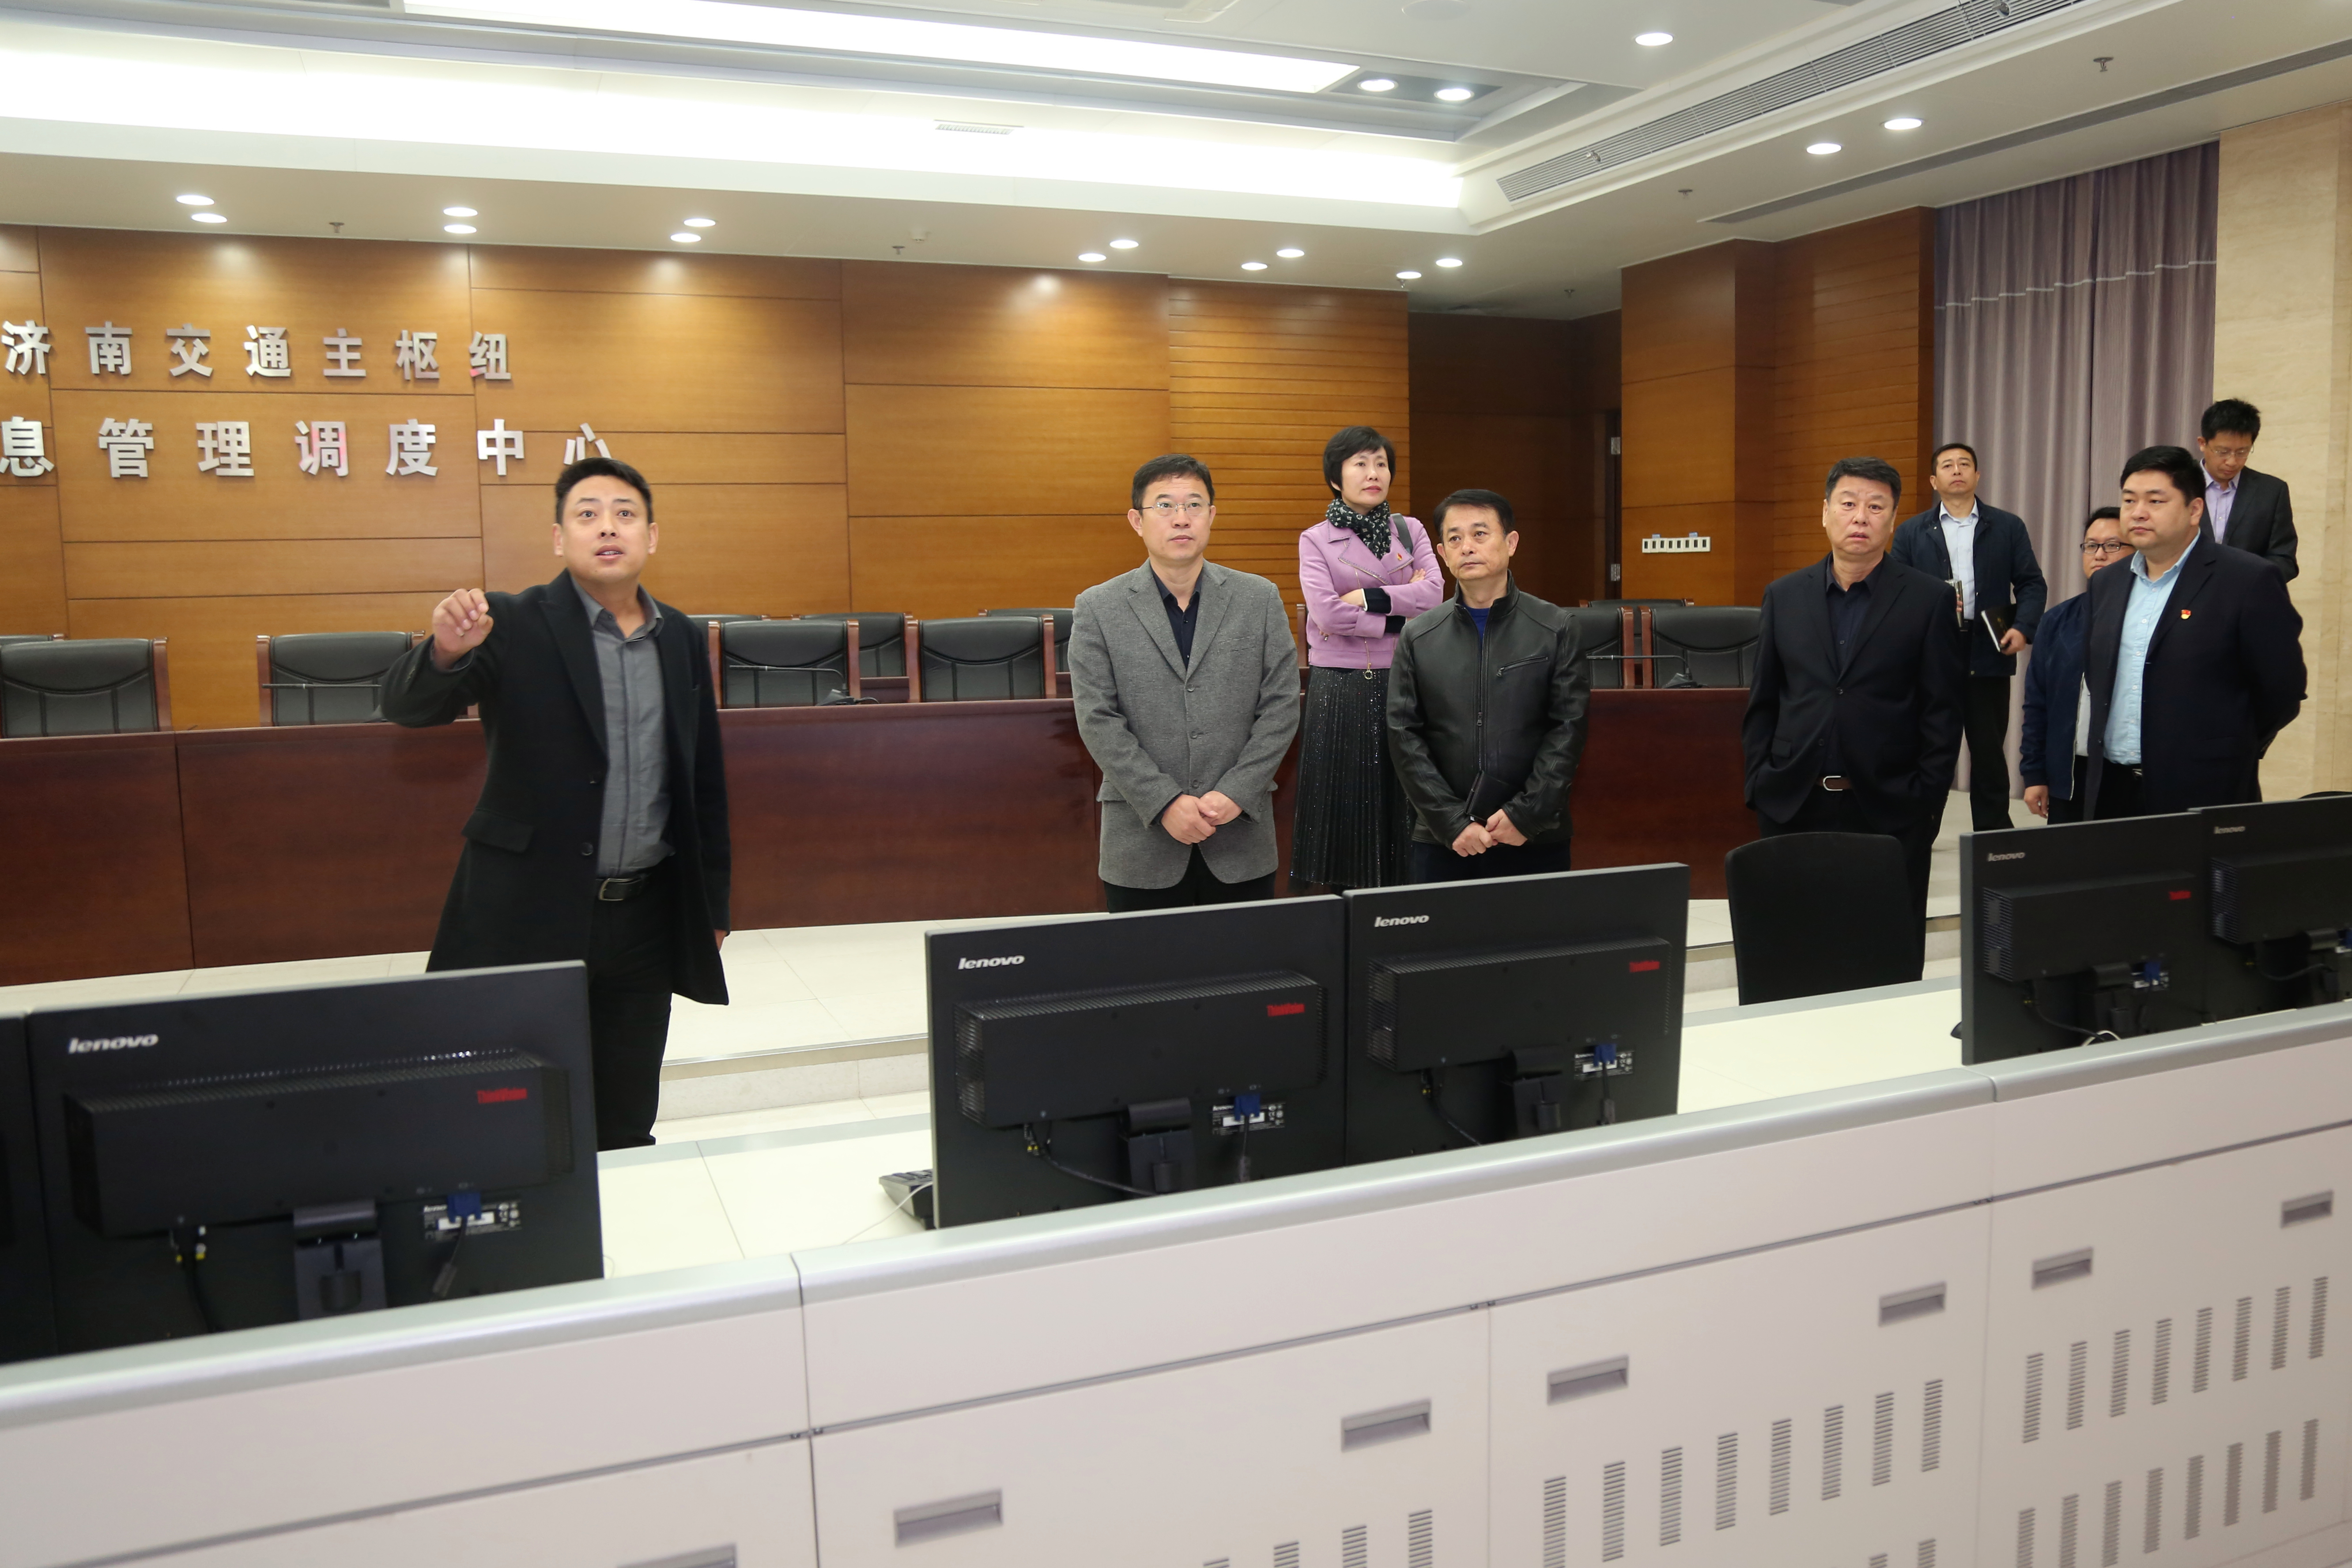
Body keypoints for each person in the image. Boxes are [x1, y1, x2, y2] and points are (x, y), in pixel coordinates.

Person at [380, 457, 730, 1151]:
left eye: (625, 514)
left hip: (647, 913)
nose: (608, 527)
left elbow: (703, 777)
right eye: (587, 513)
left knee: (625, 1114)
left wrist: (711, 903)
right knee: (516, 1110)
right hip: (529, 909)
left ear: (651, 536)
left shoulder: (682, 636)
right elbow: (410, 708)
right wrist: (444, 653)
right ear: (558, 537)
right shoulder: (510, 621)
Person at [1069, 454, 1301, 911]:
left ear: (1211, 515)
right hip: (1141, 844)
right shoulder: (1097, 607)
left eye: (1193, 504)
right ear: (1137, 520)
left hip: (1239, 837)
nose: (1181, 518)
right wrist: (1163, 802)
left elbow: (1281, 705)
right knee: (1147, 960)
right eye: (1164, 505)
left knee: (1244, 958)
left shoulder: (1258, 598)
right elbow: (1097, 718)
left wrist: (1236, 792)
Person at [1744, 457, 1963, 936]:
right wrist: (1759, 781)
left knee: (1883, 944)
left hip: (1889, 805)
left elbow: (1942, 712)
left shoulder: (1928, 600)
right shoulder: (1783, 596)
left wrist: (1925, 801)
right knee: (1793, 942)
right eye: (1847, 504)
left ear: (1893, 519)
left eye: (1875, 506)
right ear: (1824, 512)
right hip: (1793, 803)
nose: (1860, 517)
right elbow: (1764, 700)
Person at [2083, 446, 2305, 819]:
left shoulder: (2246, 579)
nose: (2138, 512)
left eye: (2155, 501)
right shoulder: (2106, 582)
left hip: (2204, 790)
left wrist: (2227, 747)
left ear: (2194, 510)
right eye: (2129, 500)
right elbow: (2098, 674)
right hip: (2111, 790)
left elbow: (2281, 690)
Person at [1387, 489, 1589, 884]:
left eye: (1480, 534)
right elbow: (1404, 735)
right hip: (1444, 838)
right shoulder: (1418, 635)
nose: (1467, 547)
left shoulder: (1555, 627)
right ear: (1442, 554)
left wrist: (1525, 814)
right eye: (1455, 538)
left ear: (1510, 543)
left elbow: (1567, 729)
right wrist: (1451, 821)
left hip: (1532, 833)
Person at [1292, 425, 1444, 890]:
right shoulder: (1315, 539)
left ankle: (1408, 904)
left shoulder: (1410, 529)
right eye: (1360, 463)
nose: (1373, 473)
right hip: (1341, 685)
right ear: (1335, 477)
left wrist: (1364, 597)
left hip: (1406, 677)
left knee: (1406, 800)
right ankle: (1341, 906)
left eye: (1380, 463)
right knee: (1345, 803)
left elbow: (1435, 595)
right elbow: (1326, 613)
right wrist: (1401, 615)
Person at [1889, 442, 2046, 832]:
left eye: (1964, 464)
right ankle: (1918, 832)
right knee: (1930, 748)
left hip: (1989, 646)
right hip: (1932, 651)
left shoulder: (2007, 526)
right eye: (1947, 465)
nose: (1956, 470)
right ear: (1933, 480)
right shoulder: (1911, 532)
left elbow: (2031, 583)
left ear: (1978, 475)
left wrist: (2022, 628)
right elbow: (1895, 590)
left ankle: (1993, 836)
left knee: (1988, 751)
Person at [2020, 508, 2128, 825]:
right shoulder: (2057, 620)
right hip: (2071, 772)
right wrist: (2034, 773)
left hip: (2128, 773)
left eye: (2112, 545)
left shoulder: (2149, 620)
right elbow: (2037, 703)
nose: (2099, 555)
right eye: (2091, 546)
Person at [2198, 398, 2298, 580]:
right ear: (2203, 444)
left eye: (2242, 452)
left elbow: (2285, 560)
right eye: (2223, 452)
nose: (2232, 462)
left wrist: (2247, 580)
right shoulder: (2178, 485)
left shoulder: (2272, 492)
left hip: (2249, 594)